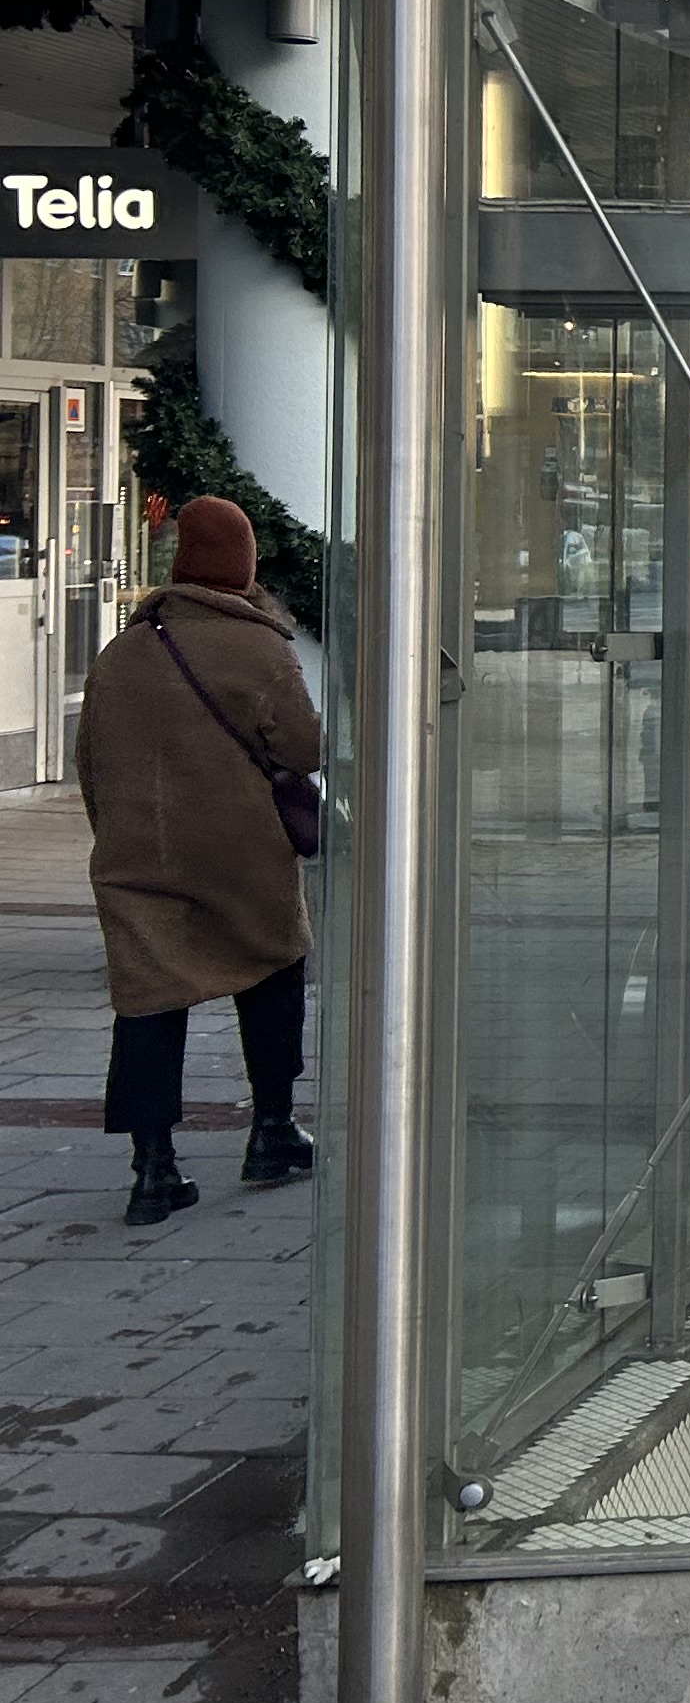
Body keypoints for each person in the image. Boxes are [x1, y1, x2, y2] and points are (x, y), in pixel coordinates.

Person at [78, 497, 317, 1226]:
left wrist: (119, 834)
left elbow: (90, 762)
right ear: (243, 565)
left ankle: (153, 1169)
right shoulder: (261, 650)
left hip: (139, 860)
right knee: (272, 972)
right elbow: (304, 749)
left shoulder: (121, 654)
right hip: (243, 858)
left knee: (147, 1004)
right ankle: (272, 1130)